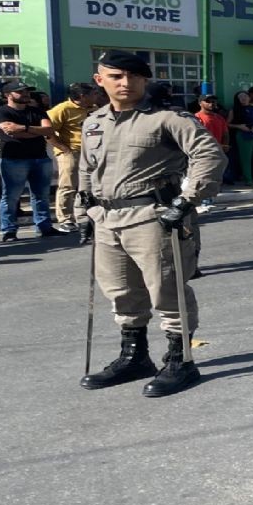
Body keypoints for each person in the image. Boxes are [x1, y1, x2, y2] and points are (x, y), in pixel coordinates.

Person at [76, 50, 227, 398]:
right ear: (100, 80)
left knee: (167, 291)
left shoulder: (167, 118)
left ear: (145, 80)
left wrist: (187, 200)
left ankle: (180, 361)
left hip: (152, 216)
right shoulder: (94, 121)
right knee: (121, 292)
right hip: (106, 218)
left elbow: (209, 154)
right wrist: (83, 212)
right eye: (116, 76)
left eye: (133, 76)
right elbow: (87, 167)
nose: (125, 83)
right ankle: (134, 357)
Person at [0, 83, 63, 241]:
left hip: (40, 158)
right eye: (20, 92)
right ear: (8, 95)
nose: (25, 94)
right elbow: (11, 132)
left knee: (41, 195)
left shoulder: (37, 111)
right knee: (11, 196)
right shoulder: (0, 112)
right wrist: (36, 131)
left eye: (26, 91)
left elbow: (49, 130)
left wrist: (24, 128)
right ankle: (9, 230)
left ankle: (44, 227)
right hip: (13, 159)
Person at [46, 82, 98, 235]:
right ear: (82, 96)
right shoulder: (62, 109)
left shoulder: (94, 109)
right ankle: (65, 219)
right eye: (93, 94)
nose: (96, 97)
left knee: (91, 185)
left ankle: (88, 214)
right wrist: (63, 148)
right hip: (71, 151)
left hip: (92, 151)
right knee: (68, 185)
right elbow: (47, 131)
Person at [193, 94, 229, 210]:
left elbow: (225, 134)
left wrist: (225, 145)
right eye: (208, 101)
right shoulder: (196, 118)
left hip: (218, 152)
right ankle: (204, 202)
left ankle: (209, 200)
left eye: (213, 101)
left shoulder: (219, 118)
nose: (211, 103)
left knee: (215, 178)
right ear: (200, 103)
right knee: (204, 177)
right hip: (203, 152)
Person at [228, 90, 253, 186]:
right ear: (237, 99)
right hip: (243, 134)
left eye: (245, 96)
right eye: (240, 97)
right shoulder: (234, 110)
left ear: (249, 97)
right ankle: (248, 180)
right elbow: (227, 124)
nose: (243, 98)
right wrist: (239, 126)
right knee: (246, 158)